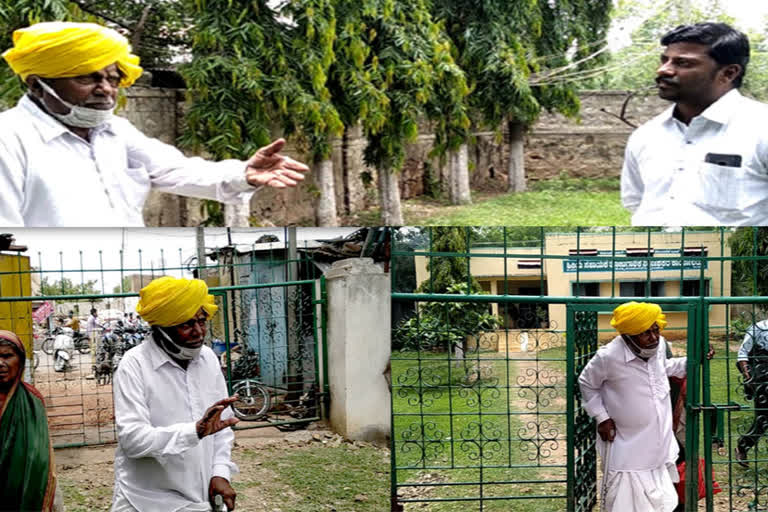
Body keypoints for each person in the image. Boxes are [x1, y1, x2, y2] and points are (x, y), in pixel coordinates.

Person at [0, 21, 310, 227]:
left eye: (112, 78)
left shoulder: (116, 131)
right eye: (86, 77)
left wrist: (245, 174)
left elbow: (177, 170)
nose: (105, 89)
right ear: (37, 85)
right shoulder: (10, 139)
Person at [111, 277, 240, 511]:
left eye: (202, 321)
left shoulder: (209, 359)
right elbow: (132, 440)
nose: (198, 331)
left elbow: (221, 429)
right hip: (144, 501)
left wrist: (220, 472)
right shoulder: (134, 365)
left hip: (201, 500)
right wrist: (194, 431)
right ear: (161, 328)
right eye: (186, 324)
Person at [620, 22, 768, 226]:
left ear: (728, 73)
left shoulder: (760, 128)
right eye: (665, 60)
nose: (663, 70)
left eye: (683, 63)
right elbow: (637, 201)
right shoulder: (647, 135)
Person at [578, 301, 713, 512]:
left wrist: (693, 361)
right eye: (645, 333)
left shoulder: (658, 347)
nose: (653, 337)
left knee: (660, 497)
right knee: (625, 498)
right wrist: (601, 417)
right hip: (625, 441)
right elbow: (586, 383)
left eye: (655, 330)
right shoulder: (608, 356)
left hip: (658, 438)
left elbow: (663, 368)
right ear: (627, 336)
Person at [0, 330, 62, 511]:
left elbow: (40, 457)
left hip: (24, 491)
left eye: (7, 356)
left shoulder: (32, 400)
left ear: (20, 361)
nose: (0, 363)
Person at [735, 318, 768, 468]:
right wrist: (749, 377)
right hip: (763, 376)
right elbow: (743, 353)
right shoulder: (759, 327)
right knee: (763, 419)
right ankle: (743, 446)